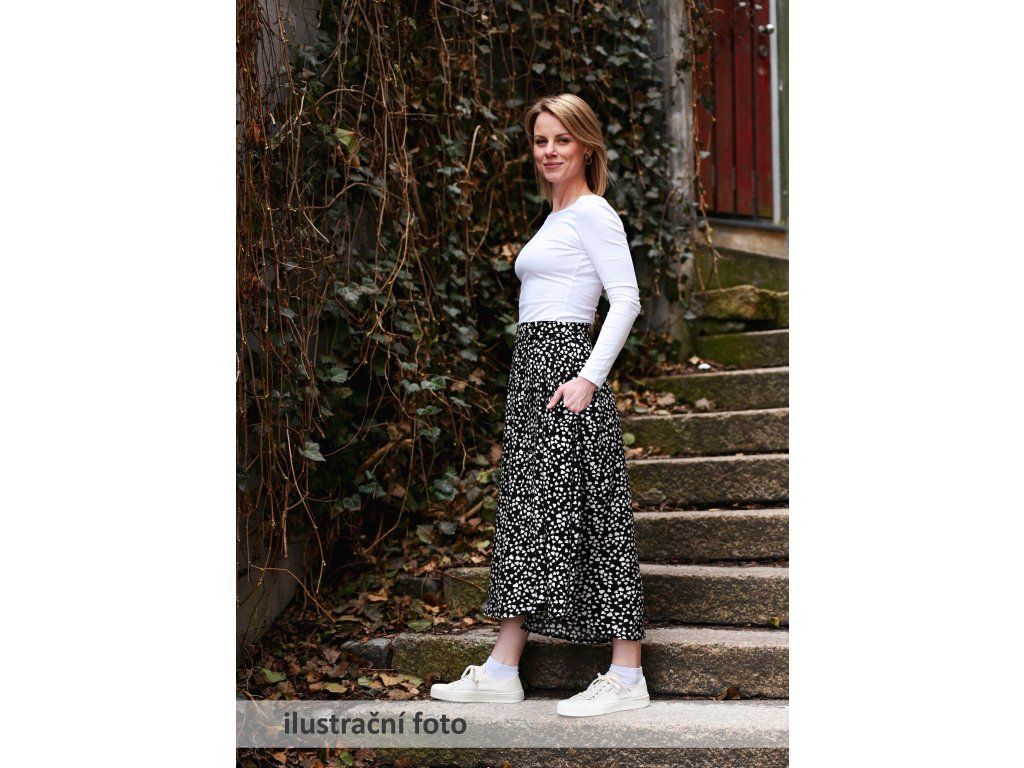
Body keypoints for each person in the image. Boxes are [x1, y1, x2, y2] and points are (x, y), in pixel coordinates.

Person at [430, 94, 649, 717]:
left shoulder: (592, 212)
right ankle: (503, 668)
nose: (549, 151)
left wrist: (589, 379)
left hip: (567, 373)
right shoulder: (554, 218)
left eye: (562, 139)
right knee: (527, 516)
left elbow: (627, 298)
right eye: (540, 141)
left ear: (586, 146)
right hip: (532, 370)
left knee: (597, 511)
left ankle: (627, 674)